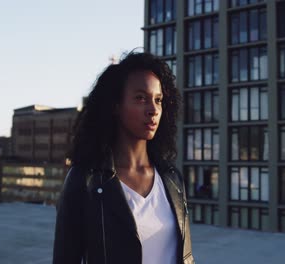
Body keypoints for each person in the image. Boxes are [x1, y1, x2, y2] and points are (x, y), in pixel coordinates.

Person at [52, 52, 194, 264]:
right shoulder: (85, 180)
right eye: (140, 98)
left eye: (158, 100)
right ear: (116, 106)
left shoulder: (172, 178)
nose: (153, 110)